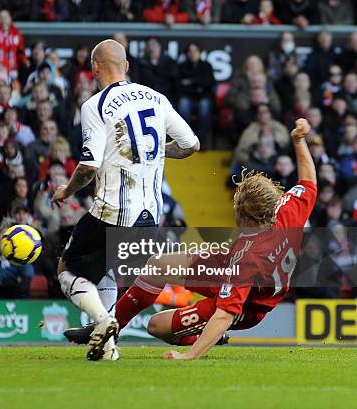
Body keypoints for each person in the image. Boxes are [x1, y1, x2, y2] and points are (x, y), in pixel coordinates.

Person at [65, 119, 317, 360]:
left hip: (249, 306)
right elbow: (309, 182)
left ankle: (204, 337)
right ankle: (110, 327)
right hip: (228, 267)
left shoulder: (249, 258)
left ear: (246, 219)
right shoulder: (287, 210)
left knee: (156, 326)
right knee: (157, 265)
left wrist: (188, 356)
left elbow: (225, 314)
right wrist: (298, 140)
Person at [51, 39, 200, 361]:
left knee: (67, 268)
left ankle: (103, 322)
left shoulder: (95, 105)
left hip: (113, 209)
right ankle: (107, 347)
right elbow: (191, 145)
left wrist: (66, 191)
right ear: (126, 66)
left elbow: (89, 166)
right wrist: (159, 150)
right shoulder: (157, 99)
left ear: (94, 68)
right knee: (107, 269)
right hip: (150, 214)